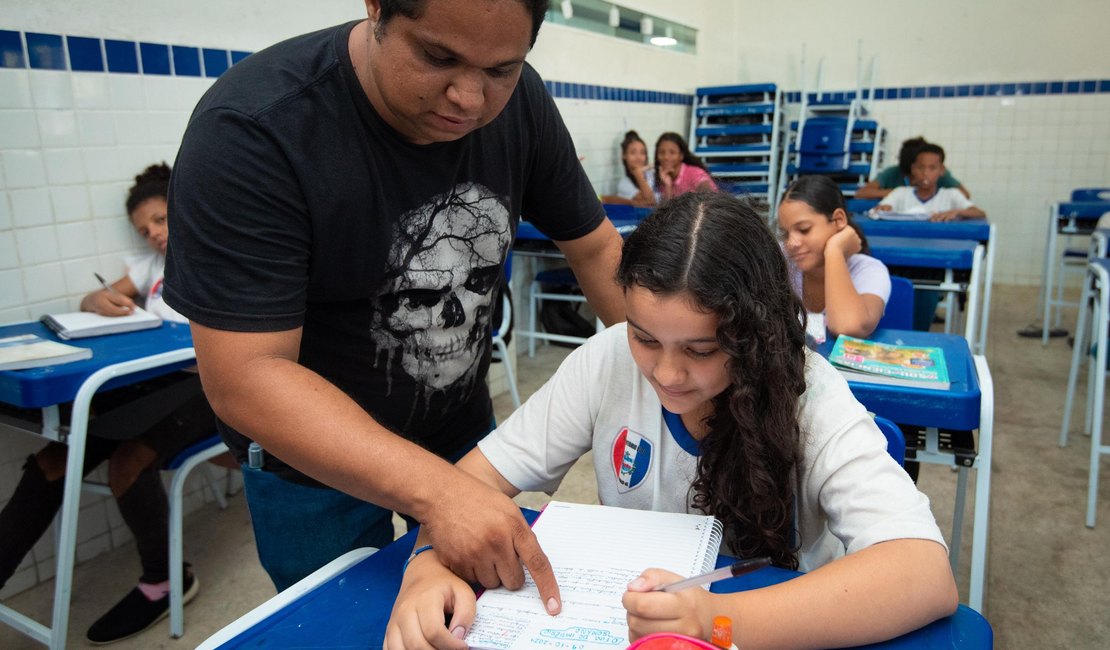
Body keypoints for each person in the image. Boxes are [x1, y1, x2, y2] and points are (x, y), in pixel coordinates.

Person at [163, 0, 625, 605]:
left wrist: (671, 359)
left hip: (458, 423)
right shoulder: (255, 129)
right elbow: (246, 376)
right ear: (376, 7)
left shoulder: (522, 104)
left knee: (483, 617)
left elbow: (594, 249)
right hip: (314, 462)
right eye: (438, 57)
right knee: (343, 622)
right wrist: (441, 493)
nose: (469, 99)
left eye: (501, 70)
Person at [384, 192, 958, 650]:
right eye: (645, 337)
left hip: (783, 621)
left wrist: (714, 619)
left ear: (752, 334)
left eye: (702, 350)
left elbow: (923, 574)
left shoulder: (811, 392)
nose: (666, 373)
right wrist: (428, 564)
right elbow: (469, 485)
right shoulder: (608, 359)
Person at [0, 163, 216, 644]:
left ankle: (166, 583)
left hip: (209, 387)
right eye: (145, 230)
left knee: (128, 462)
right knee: (54, 459)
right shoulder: (150, 270)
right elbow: (93, 299)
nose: (155, 235)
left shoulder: (215, 252)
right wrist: (101, 302)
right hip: (150, 385)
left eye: (161, 220)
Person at [779, 175, 891, 339]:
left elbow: (847, 327)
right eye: (785, 233)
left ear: (838, 220)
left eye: (804, 229)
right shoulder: (778, 259)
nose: (792, 242)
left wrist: (834, 251)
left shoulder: (869, 270)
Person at [876, 143, 986, 222]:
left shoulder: (952, 194)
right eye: (920, 168)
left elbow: (979, 213)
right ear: (913, 169)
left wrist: (956, 212)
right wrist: (883, 209)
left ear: (942, 170)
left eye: (932, 168)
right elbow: (882, 208)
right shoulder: (900, 193)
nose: (925, 173)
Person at [856, 136, 970, 200]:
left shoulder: (939, 175)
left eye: (926, 167)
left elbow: (964, 195)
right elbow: (861, 193)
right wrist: (899, 192)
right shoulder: (893, 172)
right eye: (913, 172)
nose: (923, 174)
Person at [601, 130, 658, 206]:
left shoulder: (653, 174)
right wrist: (638, 173)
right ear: (624, 155)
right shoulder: (624, 184)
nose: (638, 157)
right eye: (633, 153)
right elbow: (650, 201)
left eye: (642, 153)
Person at [654, 132, 718, 199]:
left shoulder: (694, 172)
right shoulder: (661, 177)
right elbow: (666, 208)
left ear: (681, 155)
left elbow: (709, 195)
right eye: (661, 153)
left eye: (672, 152)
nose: (666, 157)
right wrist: (667, 186)